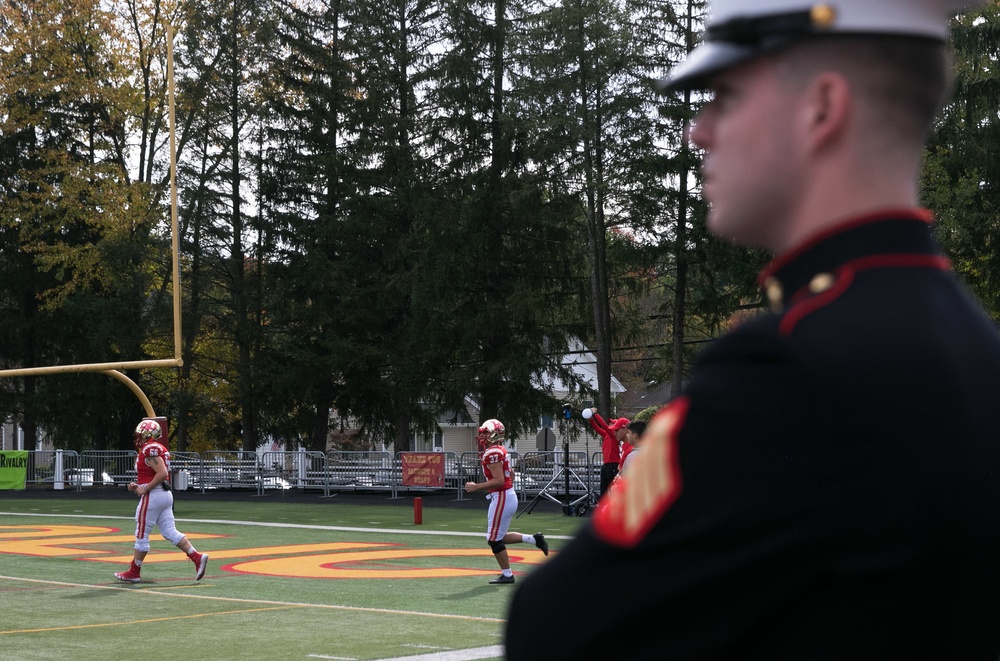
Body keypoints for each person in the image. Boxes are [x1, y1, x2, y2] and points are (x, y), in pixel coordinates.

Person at [505, 1, 1000, 658]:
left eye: (727, 97)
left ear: (822, 106)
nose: (698, 131)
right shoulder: (978, 350)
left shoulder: (792, 372)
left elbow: (553, 630)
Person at [114, 419, 209, 584]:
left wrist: (146, 488)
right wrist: (139, 486)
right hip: (164, 494)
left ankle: (134, 571)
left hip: (154, 495)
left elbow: (162, 473)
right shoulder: (155, 449)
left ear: (147, 434)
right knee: (169, 532)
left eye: (141, 434)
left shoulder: (150, 450)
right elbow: (156, 473)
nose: (139, 438)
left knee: (141, 533)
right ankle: (196, 557)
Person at [464, 418, 548, 584]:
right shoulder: (498, 450)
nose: (482, 435)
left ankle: (508, 575)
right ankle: (534, 539)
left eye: (486, 432)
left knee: (493, 539)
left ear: (495, 434)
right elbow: (511, 474)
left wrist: (477, 487)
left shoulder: (493, 453)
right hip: (506, 495)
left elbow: (499, 480)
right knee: (497, 537)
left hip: (502, 496)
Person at [584, 408, 629, 497]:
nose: (611, 424)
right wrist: (591, 420)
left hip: (613, 463)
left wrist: (595, 414)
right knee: (603, 488)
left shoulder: (613, 434)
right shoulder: (607, 435)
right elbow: (597, 428)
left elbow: (604, 426)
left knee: (611, 487)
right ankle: (602, 506)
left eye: (612, 423)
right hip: (606, 464)